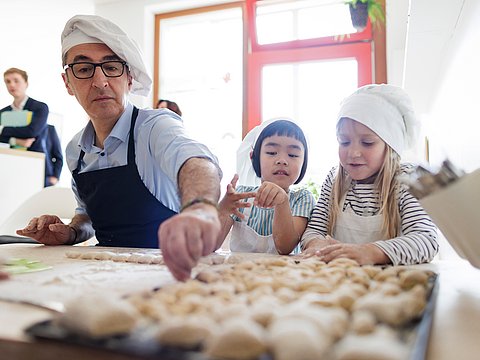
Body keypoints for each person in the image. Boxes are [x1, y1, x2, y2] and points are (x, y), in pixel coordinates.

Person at [16, 14, 222, 281]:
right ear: (68, 83)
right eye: (84, 68)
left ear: (129, 79)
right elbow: (87, 217)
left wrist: (200, 208)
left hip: (166, 273)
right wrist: (69, 233)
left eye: (111, 67)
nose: (100, 81)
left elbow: (197, 161)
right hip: (104, 274)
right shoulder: (75, 149)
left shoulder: (154, 127)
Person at [300, 84, 439, 265]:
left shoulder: (406, 180)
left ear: (390, 146)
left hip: (391, 285)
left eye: (367, 143)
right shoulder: (335, 179)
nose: (353, 153)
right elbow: (314, 230)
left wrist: (370, 252)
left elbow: (426, 240)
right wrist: (316, 243)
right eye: (344, 141)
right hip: (338, 281)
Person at [217, 119, 315, 255]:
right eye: (271, 152)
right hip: (239, 273)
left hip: (284, 275)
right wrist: (223, 208)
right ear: (254, 158)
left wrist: (282, 202)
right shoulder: (242, 195)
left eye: (293, 155)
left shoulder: (302, 198)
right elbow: (212, 245)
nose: (282, 160)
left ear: (304, 162)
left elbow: (284, 247)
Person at [0, 67, 48, 157]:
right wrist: (15, 141)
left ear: (26, 83)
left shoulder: (40, 107)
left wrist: (2, 129)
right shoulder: (2, 112)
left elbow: (31, 131)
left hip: (35, 161)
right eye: (8, 81)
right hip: (7, 158)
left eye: (16, 80)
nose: (12, 85)